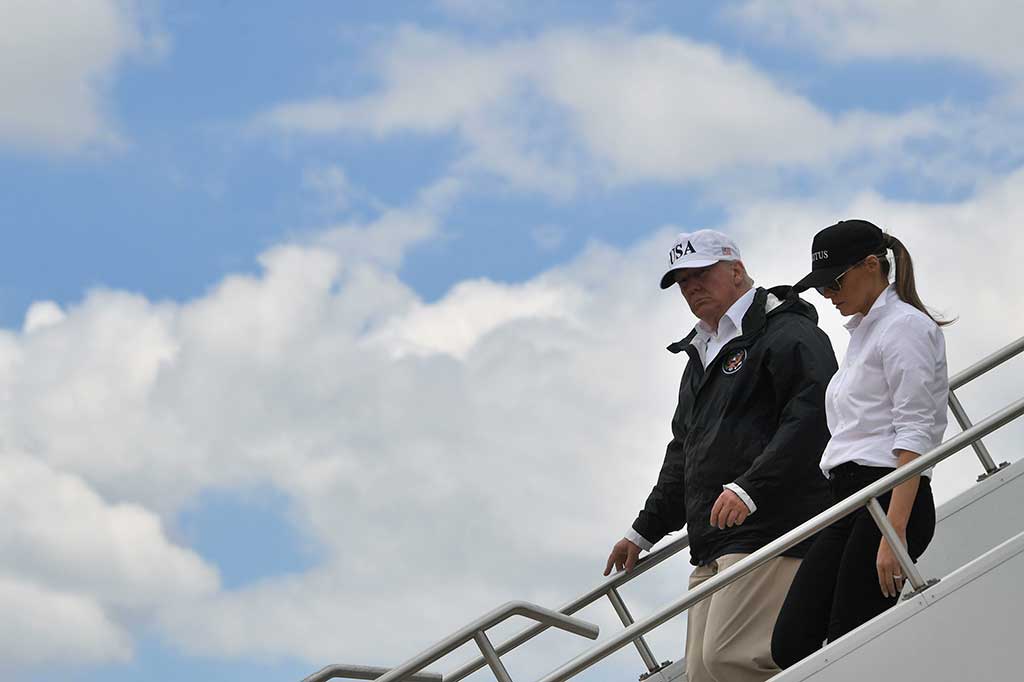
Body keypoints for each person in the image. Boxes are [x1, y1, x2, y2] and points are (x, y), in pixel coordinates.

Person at [604, 229, 837, 682]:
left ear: (736, 271)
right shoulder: (701, 352)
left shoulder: (786, 330)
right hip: (714, 540)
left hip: (775, 529)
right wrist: (642, 531)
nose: (691, 287)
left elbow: (815, 417)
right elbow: (684, 454)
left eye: (701, 274)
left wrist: (751, 489)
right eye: (682, 281)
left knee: (731, 659)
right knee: (703, 674)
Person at [771, 219, 950, 669]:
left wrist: (894, 533)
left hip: (889, 497)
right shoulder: (864, 332)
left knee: (851, 644)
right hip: (849, 502)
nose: (828, 295)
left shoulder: (905, 327)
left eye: (834, 282)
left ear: (872, 265)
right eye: (819, 288)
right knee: (791, 644)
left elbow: (915, 433)